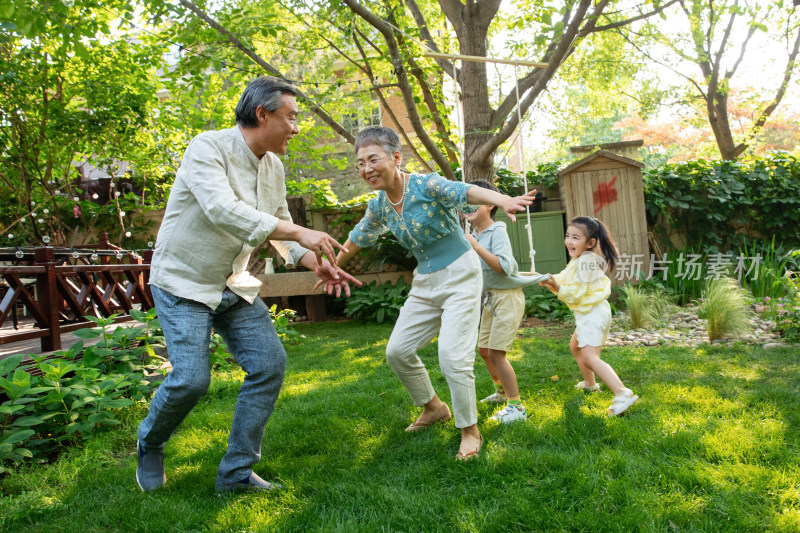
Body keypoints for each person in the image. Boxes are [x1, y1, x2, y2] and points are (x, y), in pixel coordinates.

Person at [136, 76, 360, 493]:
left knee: (269, 365)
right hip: (183, 281)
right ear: (263, 114)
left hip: (232, 283)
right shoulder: (208, 147)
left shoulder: (273, 165)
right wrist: (299, 234)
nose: (296, 127)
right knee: (190, 379)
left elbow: (278, 229)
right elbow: (223, 210)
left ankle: (236, 473)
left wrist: (315, 263)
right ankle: (150, 441)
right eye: (291, 117)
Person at [330, 126, 536, 460]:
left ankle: (470, 430)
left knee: (452, 357)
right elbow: (357, 237)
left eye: (372, 159)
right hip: (425, 281)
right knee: (398, 351)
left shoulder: (425, 185)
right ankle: (434, 407)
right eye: (360, 163)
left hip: (460, 274)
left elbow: (463, 190)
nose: (365, 169)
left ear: (396, 158)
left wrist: (502, 200)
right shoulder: (379, 206)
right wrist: (334, 266)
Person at [539, 216, 639, 417]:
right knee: (576, 346)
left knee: (589, 357)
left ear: (591, 243)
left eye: (576, 237)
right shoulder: (579, 260)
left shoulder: (587, 263)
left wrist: (555, 285)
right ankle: (590, 384)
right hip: (591, 312)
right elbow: (565, 279)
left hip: (592, 314)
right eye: (568, 236)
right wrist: (550, 280)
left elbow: (574, 294)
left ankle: (622, 393)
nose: (569, 241)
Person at [465, 180, 546, 424]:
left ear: (490, 204)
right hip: (490, 299)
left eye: (474, 200)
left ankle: (516, 407)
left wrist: (475, 246)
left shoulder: (496, 230)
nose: (467, 205)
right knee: (484, 351)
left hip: (507, 299)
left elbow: (505, 267)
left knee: (498, 354)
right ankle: (501, 394)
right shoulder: (474, 233)